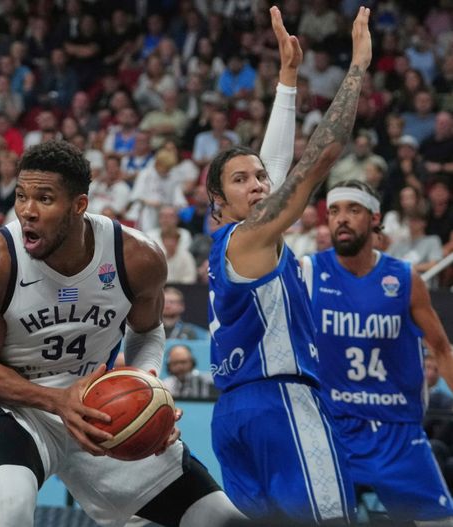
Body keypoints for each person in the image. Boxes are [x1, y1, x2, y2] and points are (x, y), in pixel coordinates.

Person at [0, 140, 244, 527]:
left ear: (78, 205)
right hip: (16, 409)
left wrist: (149, 392)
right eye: (22, 196)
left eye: (44, 198)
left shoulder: (137, 256)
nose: (27, 211)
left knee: (218, 517)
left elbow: (147, 332)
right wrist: (56, 401)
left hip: (100, 406)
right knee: (11, 506)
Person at [205, 7, 371, 523]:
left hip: (233, 415)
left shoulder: (235, 243)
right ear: (217, 201)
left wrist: (288, 80)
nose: (257, 184)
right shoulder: (250, 237)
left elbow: (272, 172)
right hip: (282, 402)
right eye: (240, 180)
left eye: (258, 177)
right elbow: (319, 158)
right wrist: (357, 67)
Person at [304, 179, 453, 523]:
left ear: (374, 218)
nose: (341, 218)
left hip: (396, 430)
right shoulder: (309, 271)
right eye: (335, 211)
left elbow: (442, 349)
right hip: (332, 430)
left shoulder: (404, 278)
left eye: (353, 210)